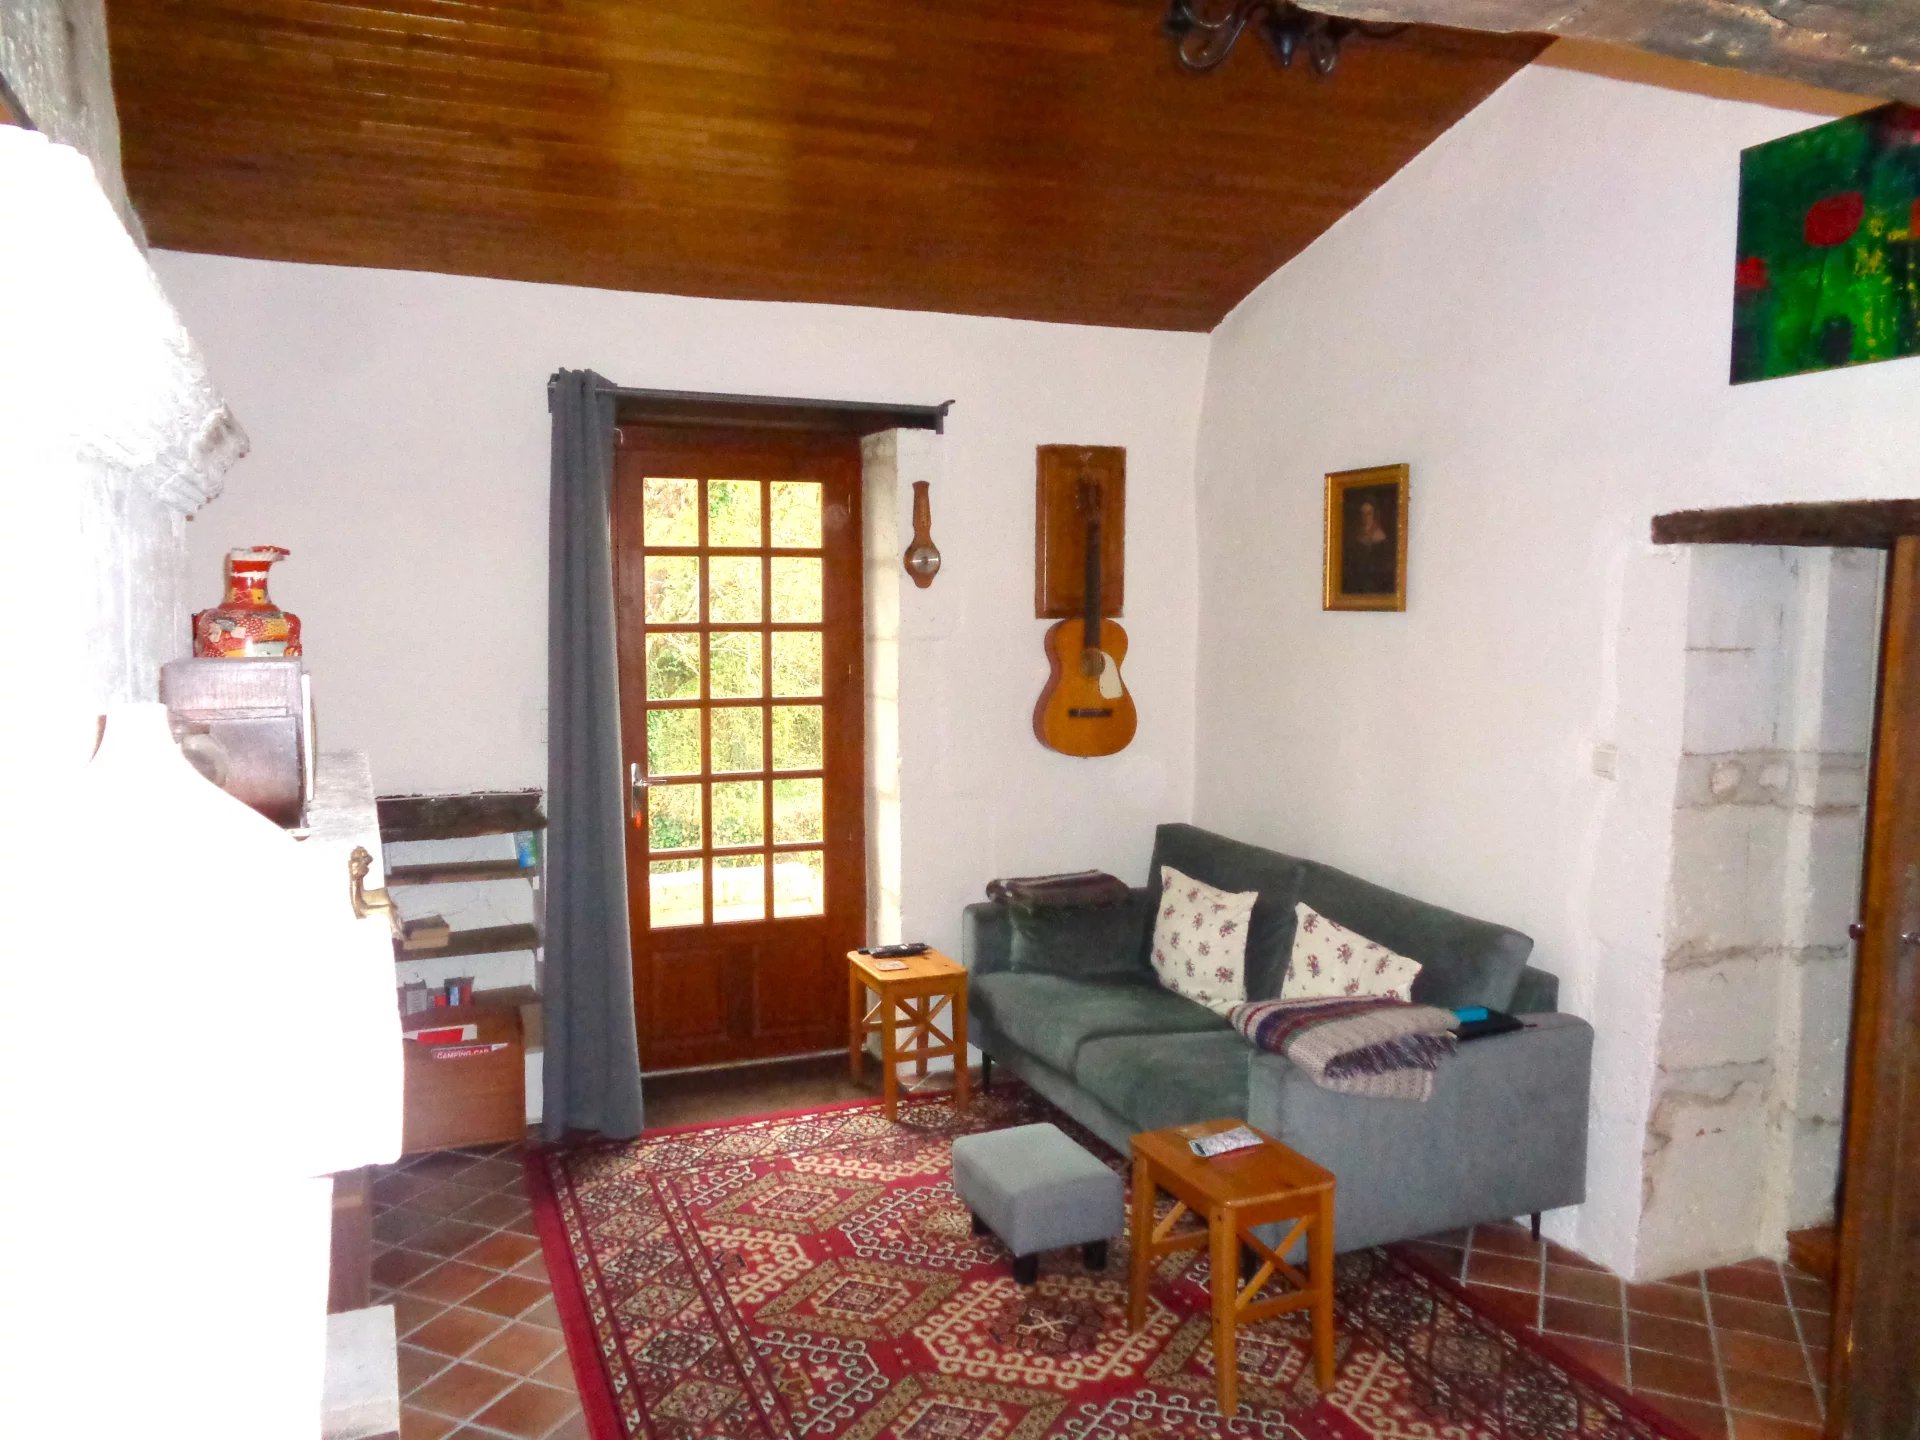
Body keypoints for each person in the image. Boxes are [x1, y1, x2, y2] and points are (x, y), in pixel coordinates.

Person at [1343, 493, 1396, 595]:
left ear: (1374, 515)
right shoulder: (1355, 537)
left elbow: (1384, 569)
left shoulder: (1380, 537)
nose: (1365, 517)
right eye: (1362, 513)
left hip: (1377, 587)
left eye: (1369, 513)